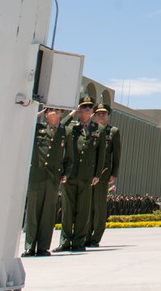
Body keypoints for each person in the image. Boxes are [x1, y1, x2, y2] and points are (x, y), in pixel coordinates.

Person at [58, 96, 101, 251]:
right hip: (70, 174)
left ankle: (78, 242)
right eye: (84, 107)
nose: (87, 109)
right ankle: (65, 241)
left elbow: (100, 154)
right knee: (68, 209)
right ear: (79, 109)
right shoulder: (71, 128)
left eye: (90, 107)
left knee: (83, 210)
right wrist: (71, 114)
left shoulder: (98, 129)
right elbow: (59, 128)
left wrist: (97, 174)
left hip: (87, 175)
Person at [23, 106, 67, 256]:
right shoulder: (38, 129)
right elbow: (25, 123)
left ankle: (43, 246)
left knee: (48, 212)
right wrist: (39, 112)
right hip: (37, 175)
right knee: (33, 211)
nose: (54, 111)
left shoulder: (64, 132)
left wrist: (66, 172)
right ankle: (29, 246)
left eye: (57, 109)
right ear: (46, 113)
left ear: (62, 114)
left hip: (53, 177)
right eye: (51, 109)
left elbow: (70, 157)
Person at [87, 103, 121, 247]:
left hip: (103, 173)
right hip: (87, 172)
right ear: (94, 115)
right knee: (86, 205)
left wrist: (114, 172)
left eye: (104, 113)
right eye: (98, 113)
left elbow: (116, 154)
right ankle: (85, 235)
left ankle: (96, 236)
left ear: (108, 116)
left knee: (99, 205)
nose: (101, 115)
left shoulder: (113, 131)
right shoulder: (88, 129)